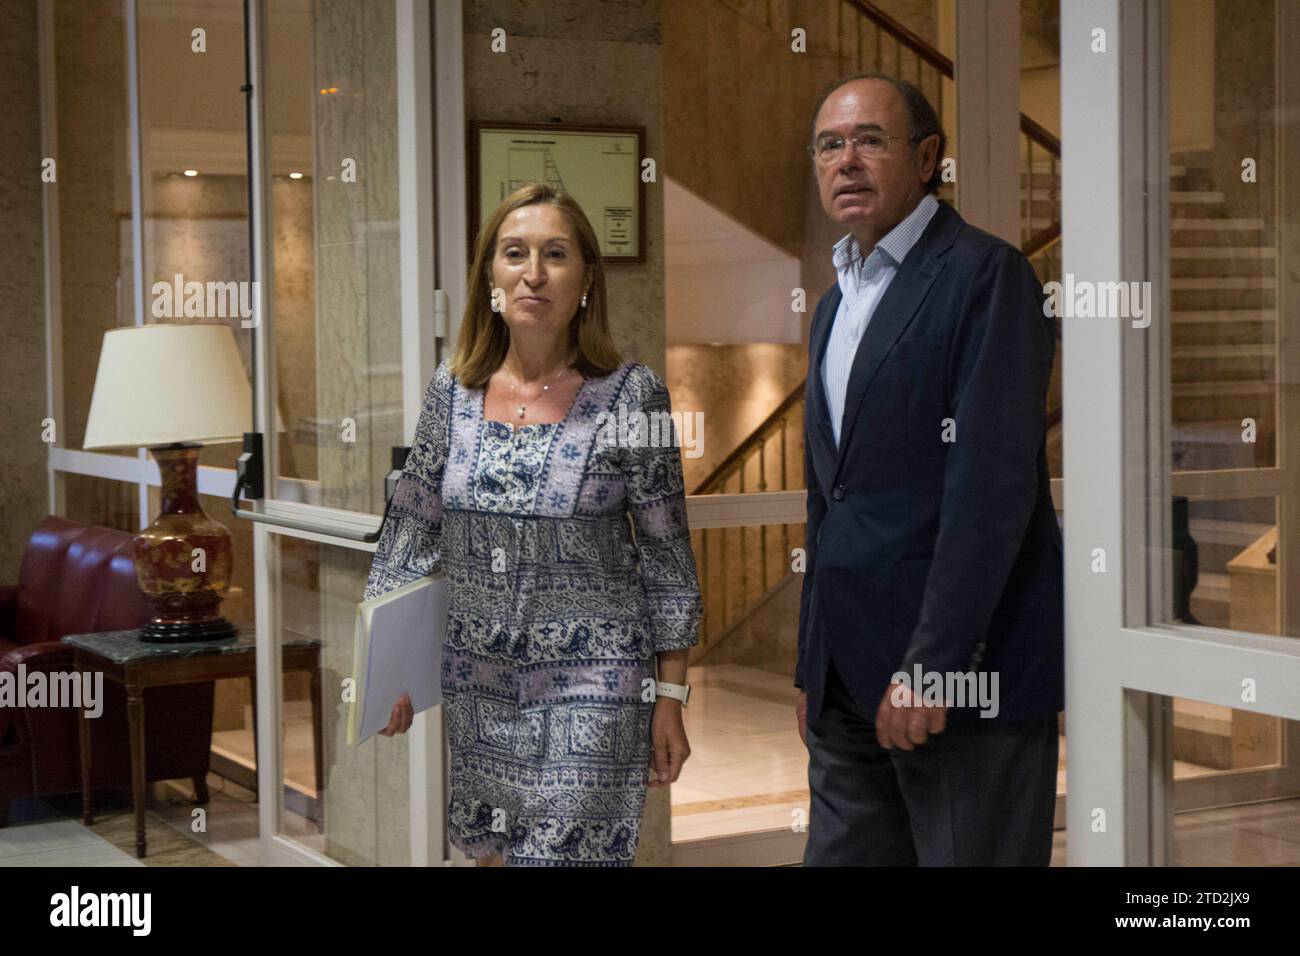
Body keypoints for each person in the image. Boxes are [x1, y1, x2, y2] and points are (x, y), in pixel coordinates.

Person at [364, 181, 703, 866]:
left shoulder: (634, 395)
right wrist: (385, 665)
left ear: (585, 280)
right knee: (490, 857)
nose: (534, 273)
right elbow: (410, 527)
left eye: (556, 254)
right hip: (479, 680)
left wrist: (670, 694)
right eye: (514, 253)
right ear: (490, 275)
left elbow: (668, 556)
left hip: (596, 685)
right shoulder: (450, 391)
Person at [796, 73, 1064, 866]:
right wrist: (813, 662)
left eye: (869, 140)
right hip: (846, 680)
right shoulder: (835, 304)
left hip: (958, 681)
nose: (846, 161)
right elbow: (829, 500)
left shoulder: (988, 276)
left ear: (926, 158)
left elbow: (990, 493)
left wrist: (935, 667)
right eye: (829, 144)